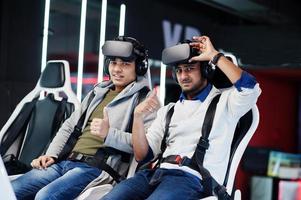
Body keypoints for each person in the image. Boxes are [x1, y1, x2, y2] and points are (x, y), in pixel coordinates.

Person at [101, 35, 262, 200]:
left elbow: (251, 88)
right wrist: (138, 117)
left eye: (190, 68)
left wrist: (214, 55)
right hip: (155, 175)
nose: (183, 76)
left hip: (192, 179)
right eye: (179, 70)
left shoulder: (226, 103)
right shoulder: (169, 111)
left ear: (206, 70)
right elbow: (143, 155)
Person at [11, 36, 157, 200]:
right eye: (113, 63)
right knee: (10, 190)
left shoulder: (145, 101)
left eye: (125, 64)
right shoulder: (97, 92)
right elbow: (68, 126)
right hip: (65, 162)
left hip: (97, 168)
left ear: (139, 67)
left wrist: (109, 134)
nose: (117, 69)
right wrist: (51, 154)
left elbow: (143, 150)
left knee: (45, 196)